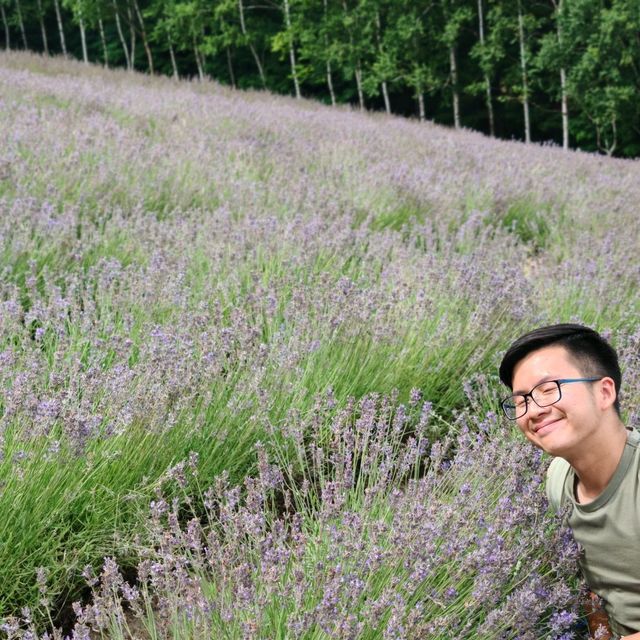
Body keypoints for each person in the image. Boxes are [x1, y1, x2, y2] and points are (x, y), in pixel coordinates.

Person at [498, 324, 640, 640]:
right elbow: (592, 590)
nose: (534, 410)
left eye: (549, 389)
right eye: (521, 401)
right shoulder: (558, 477)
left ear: (604, 392)